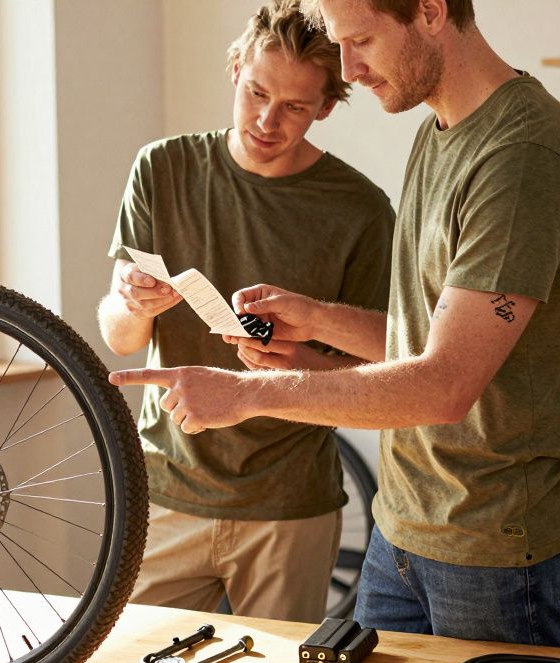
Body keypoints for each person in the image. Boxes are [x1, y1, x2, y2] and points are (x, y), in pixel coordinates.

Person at [110, 0, 560, 649]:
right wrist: (316, 321)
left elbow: (443, 384)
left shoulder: (521, 157)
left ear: (430, 11)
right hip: (405, 526)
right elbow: (427, 339)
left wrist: (244, 394)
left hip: (493, 541)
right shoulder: (442, 131)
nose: (348, 69)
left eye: (362, 41)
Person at [98, 0, 395, 624]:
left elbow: (386, 367)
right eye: (257, 91)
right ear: (235, 68)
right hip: (165, 487)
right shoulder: (162, 168)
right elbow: (121, 340)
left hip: (290, 505)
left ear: (327, 107)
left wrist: (293, 361)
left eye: (294, 107)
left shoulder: (361, 210)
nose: (267, 120)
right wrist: (130, 301)